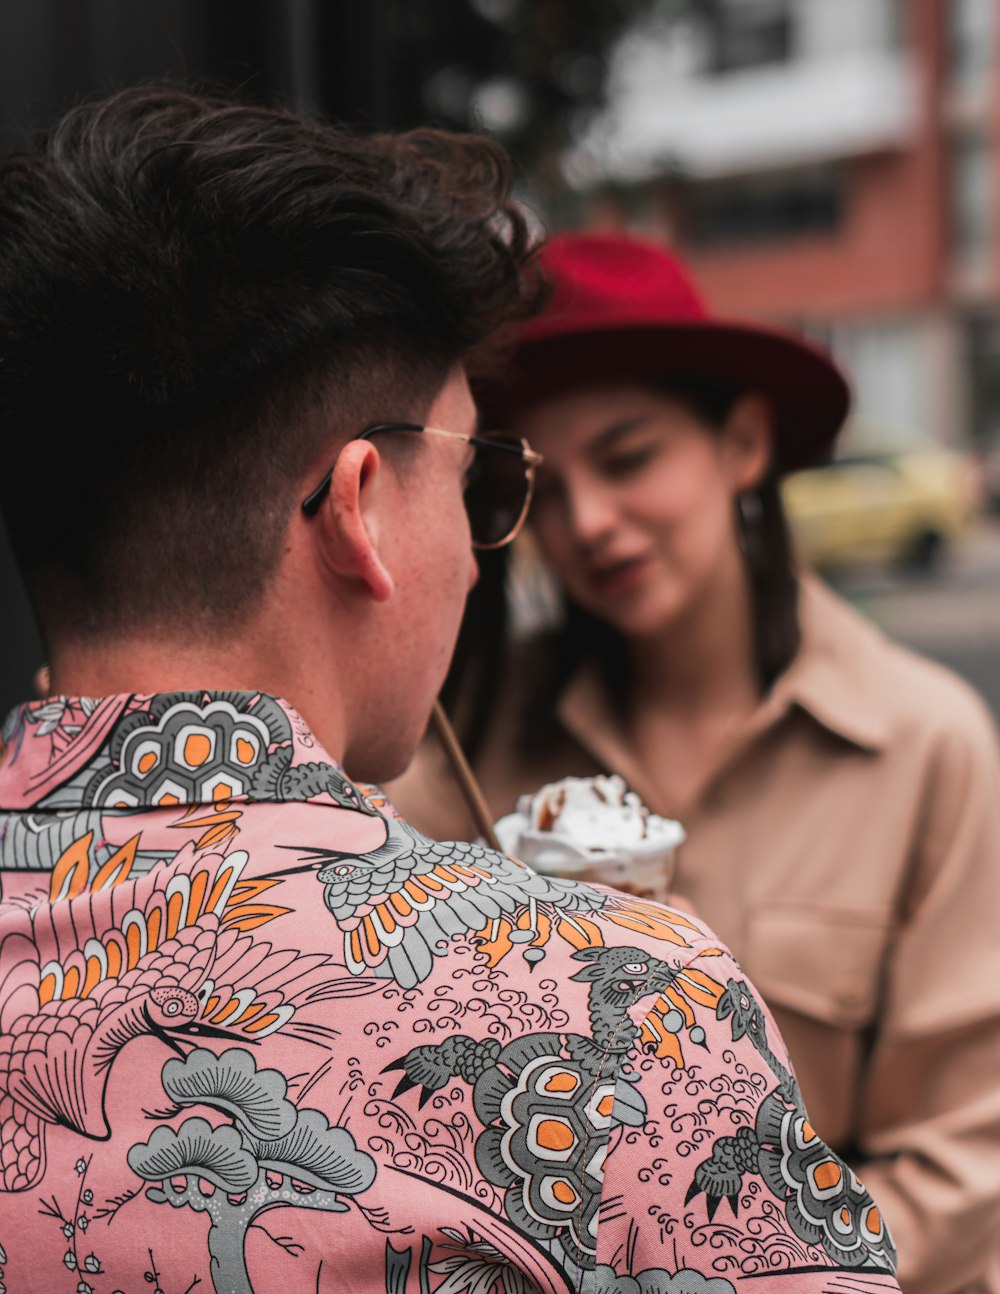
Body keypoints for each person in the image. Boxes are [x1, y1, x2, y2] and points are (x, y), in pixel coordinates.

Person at [0, 89, 900, 1294]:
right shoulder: (622, 1007)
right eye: (481, 478)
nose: (504, 545)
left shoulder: (912, 744)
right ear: (361, 505)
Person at [390, 231, 1000, 1294]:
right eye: (549, 485)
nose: (590, 522)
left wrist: (727, 1272)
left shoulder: (922, 744)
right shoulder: (469, 737)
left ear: (744, 442)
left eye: (629, 459)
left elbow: (968, 1160)